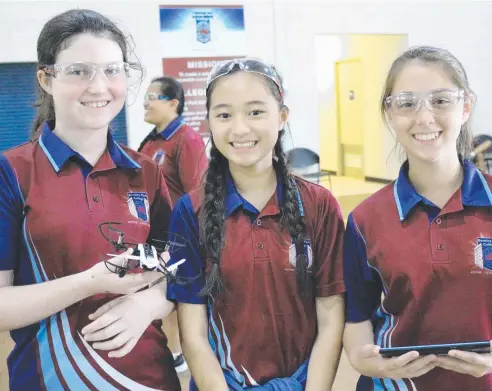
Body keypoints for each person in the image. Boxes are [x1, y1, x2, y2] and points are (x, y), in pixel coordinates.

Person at [0, 9, 180, 391]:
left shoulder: (146, 172)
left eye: (112, 70)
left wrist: (148, 304)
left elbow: (180, 268)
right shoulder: (11, 173)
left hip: (150, 378)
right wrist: (88, 282)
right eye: (79, 71)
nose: (99, 87)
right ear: (47, 79)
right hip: (50, 380)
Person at [166, 58, 346, 390]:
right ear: (208, 122)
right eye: (223, 115)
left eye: (255, 112)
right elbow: (192, 332)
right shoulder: (190, 211)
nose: (239, 129)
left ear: (282, 116)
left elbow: (331, 320)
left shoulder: (320, 206)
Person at [343, 45, 492, 391]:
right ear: (389, 114)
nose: (425, 118)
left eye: (441, 101)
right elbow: (357, 318)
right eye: (407, 103)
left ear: (465, 106)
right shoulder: (365, 220)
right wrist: (362, 359)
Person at [138, 76, 208, 372]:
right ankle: (172, 350)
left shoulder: (186, 139)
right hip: (152, 234)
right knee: (158, 291)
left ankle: (184, 354)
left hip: (177, 237)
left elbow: (197, 193)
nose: (146, 102)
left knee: (179, 295)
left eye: (153, 96)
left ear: (173, 103)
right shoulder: (152, 140)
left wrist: (192, 239)